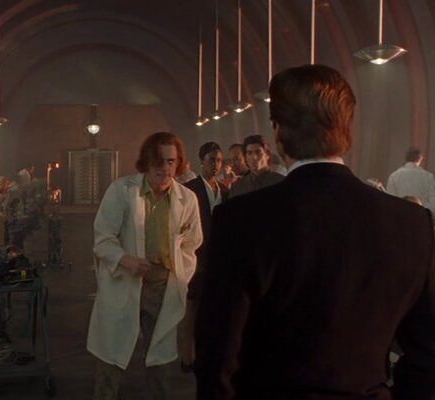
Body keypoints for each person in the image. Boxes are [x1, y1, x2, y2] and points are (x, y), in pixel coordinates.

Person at [194, 64, 435, 399]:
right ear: (348, 130)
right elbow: (428, 354)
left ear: (278, 133)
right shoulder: (411, 224)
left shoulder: (240, 220)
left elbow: (216, 354)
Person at [88, 131, 202, 400]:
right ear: (147, 162)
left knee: (160, 359)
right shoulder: (122, 191)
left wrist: (179, 274)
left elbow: (191, 244)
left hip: (163, 285)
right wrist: (125, 260)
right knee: (112, 357)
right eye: (159, 162)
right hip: (125, 280)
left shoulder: (187, 199)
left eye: (171, 162)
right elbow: (103, 238)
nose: (165, 169)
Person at [180, 141, 229, 368]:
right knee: (191, 309)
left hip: (217, 257)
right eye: (211, 160)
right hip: (196, 256)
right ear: (202, 161)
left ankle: (206, 352)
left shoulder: (225, 191)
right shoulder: (189, 189)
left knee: (211, 309)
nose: (216, 165)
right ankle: (187, 355)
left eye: (219, 160)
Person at [386, 147, 435, 212]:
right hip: (421, 215)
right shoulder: (428, 177)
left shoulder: (394, 176)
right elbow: (433, 203)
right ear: (420, 158)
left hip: (400, 214)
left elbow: (390, 202)